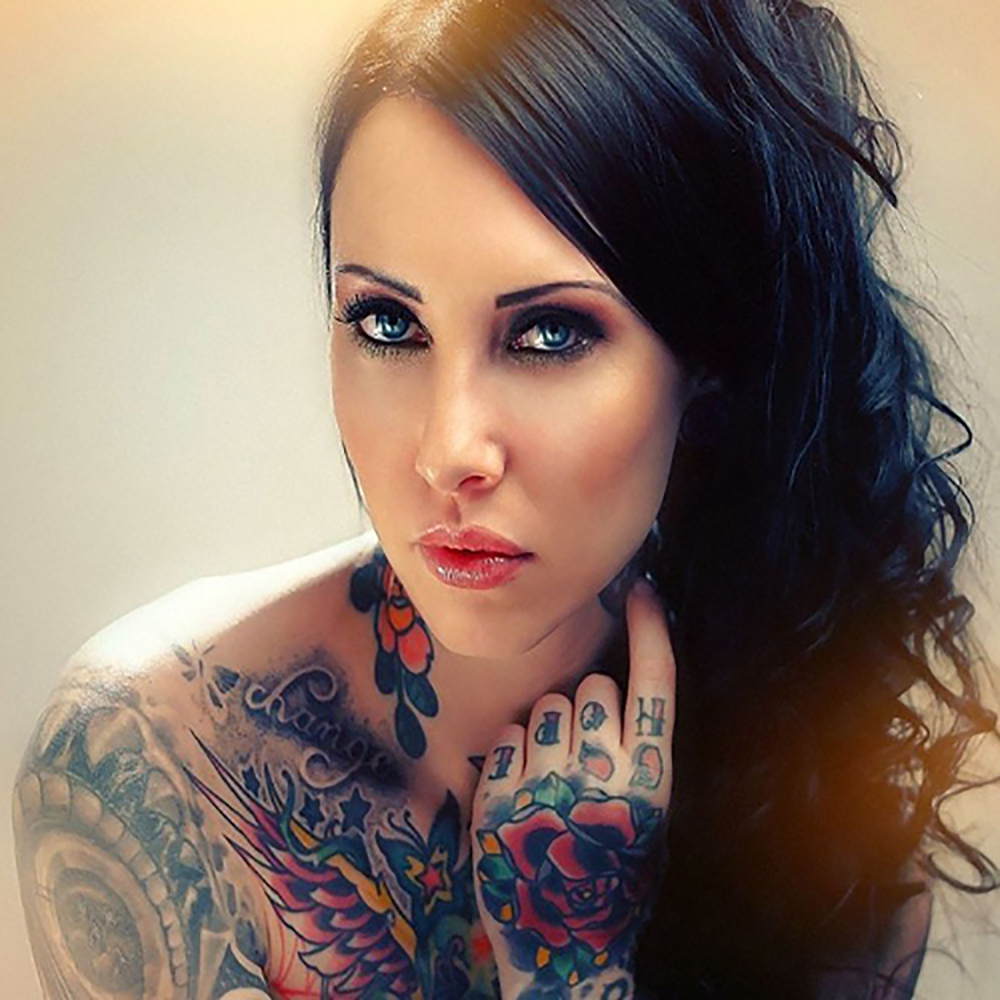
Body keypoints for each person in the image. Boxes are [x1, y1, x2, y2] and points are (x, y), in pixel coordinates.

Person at [13, 0, 998, 997]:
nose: (449, 453)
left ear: (710, 358)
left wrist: (568, 966)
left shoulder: (827, 811)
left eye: (550, 333)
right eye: (387, 323)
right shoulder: (153, 757)